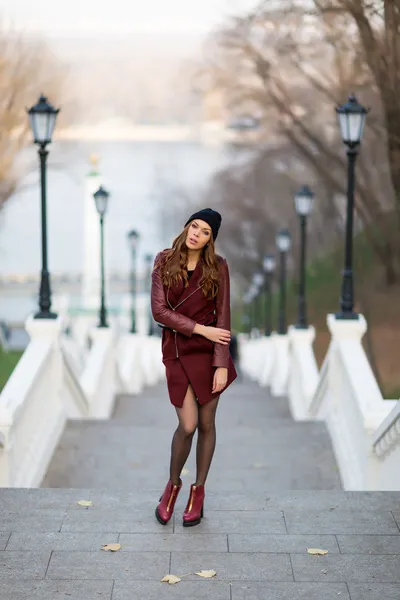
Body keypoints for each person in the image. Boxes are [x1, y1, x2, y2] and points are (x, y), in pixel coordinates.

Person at [151, 207, 237, 527]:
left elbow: (223, 316)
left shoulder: (218, 267)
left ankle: (198, 492)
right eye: (194, 226)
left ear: (210, 240)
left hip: (208, 354)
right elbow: (159, 312)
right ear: (186, 225)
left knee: (207, 423)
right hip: (176, 350)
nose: (196, 233)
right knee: (187, 425)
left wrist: (221, 364)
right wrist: (201, 329)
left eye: (205, 232)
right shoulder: (164, 260)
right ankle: (172, 487)